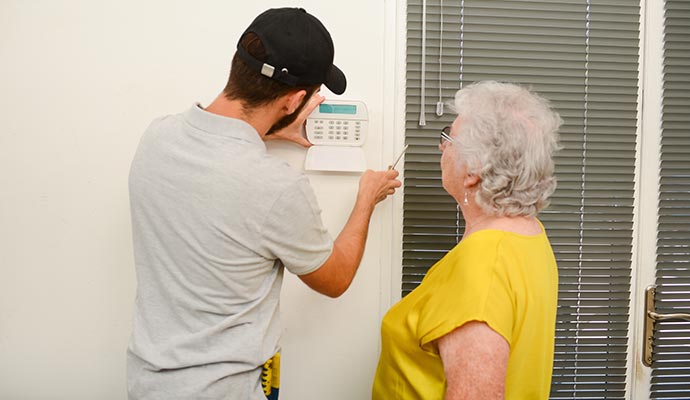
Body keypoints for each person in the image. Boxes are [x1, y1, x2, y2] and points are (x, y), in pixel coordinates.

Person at [126, 7, 401, 400]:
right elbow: (335, 279)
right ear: (293, 101)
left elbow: (217, 164)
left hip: (148, 382)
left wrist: (263, 135)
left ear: (238, 63)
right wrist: (366, 200)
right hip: (227, 390)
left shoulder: (157, 137)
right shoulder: (276, 187)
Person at [372, 81, 562, 399]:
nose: (441, 147)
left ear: (473, 170)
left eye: (449, 138)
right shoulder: (530, 236)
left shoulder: (482, 267)